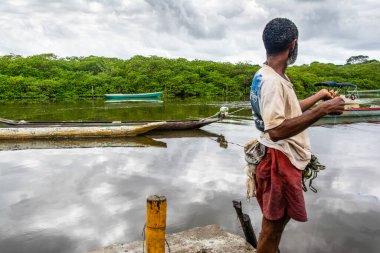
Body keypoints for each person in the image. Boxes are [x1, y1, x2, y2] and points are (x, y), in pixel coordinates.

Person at [250, 18, 345, 253]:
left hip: (279, 158)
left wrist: (319, 96)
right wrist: (323, 110)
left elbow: (287, 111)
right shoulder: (272, 82)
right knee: (273, 227)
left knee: (276, 223)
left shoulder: (269, 74)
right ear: (293, 45)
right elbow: (276, 131)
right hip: (278, 160)